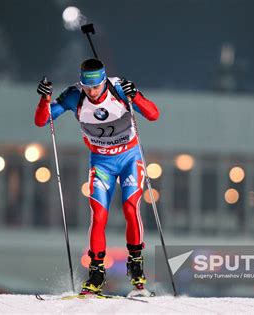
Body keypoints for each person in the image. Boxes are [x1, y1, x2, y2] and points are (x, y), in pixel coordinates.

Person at [34, 58, 160, 295]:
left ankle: (136, 272)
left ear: (104, 81)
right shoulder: (75, 95)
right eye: (87, 87)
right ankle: (96, 274)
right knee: (99, 214)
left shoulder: (119, 88)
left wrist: (136, 97)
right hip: (101, 162)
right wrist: (44, 99)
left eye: (95, 87)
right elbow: (42, 120)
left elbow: (153, 115)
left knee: (131, 208)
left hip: (129, 159)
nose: (91, 92)